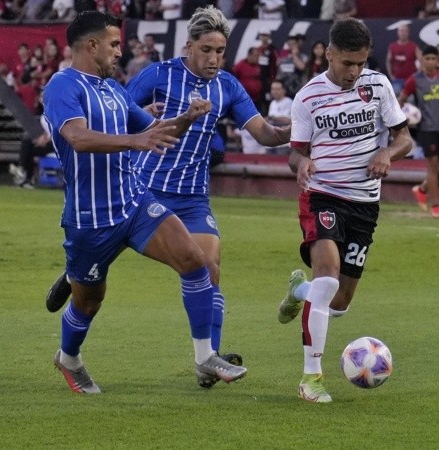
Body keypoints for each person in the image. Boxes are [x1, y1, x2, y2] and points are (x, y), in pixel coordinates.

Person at [47, 6, 288, 388]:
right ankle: (69, 356)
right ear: (91, 45)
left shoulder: (112, 89)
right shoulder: (63, 86)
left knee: (198, 263)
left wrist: (188, 118)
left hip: (138, 202)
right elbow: (76, 138)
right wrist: (135, 138)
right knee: (89, 301)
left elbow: (159, 131)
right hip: (92, 216)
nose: (119, 52)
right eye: (113, 45)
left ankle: (206, 357)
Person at [279, 18, 411, 403]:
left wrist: (387, 152)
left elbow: (403, 136)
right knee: (328, 279)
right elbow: (295, 153)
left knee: (338, 303)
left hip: (365, 203)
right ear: (329, 54)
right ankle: (311, 378)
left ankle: (297, 291)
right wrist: (300, 164)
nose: (354, 71)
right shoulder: (307, 97)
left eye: (360, 63)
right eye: (347, 63)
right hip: (323, 196)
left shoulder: (378, 85)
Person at [399, 45, 439, 219]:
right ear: (422, 60)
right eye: (426, 58)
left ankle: (422, 189)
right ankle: (435, 205)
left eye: (433, 58)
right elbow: (400, 100)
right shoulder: (415, 80)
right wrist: (399, 121)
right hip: (426, 129)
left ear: (438, 60)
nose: (430, 62)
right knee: (433, 167)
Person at [385, 23, 420, 97]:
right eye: (401, 31)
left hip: (410, 79)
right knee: (393, 98)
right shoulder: (392, 46)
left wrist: (418, 76)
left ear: (408, 33)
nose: (403, 33)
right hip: (397, 79)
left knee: (411, 100)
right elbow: (388, 61)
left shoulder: (414, 46)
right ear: (398, 33)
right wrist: (391, 75)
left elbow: (421, 61)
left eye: (405, 31)